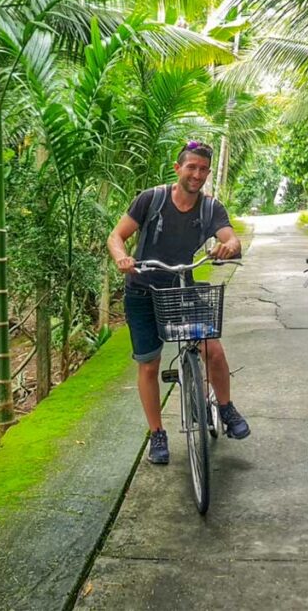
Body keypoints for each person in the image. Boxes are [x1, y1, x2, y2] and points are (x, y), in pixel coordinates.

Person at [107, 141, 250, 465]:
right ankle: (157, 433)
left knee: (211, 348)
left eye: (203, 169)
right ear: (178, 169)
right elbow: (116, 236)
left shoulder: (210, 208)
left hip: (182, 289)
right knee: (149, 364)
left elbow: (231, 238)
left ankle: (225, 408)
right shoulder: (151, 199)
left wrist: (230, 246)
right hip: (142, 291)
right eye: (191, 168)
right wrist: (122, 258)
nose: (197, 175)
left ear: (208, 173)